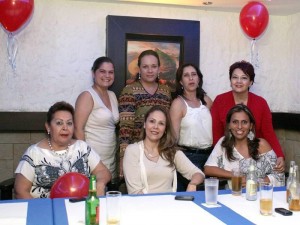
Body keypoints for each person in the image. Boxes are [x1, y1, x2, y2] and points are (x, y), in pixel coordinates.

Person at [14, 101, 111, 199]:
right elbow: (20, 191)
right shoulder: (34, 153)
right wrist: (40, 210)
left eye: (69, 123)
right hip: (46, 209)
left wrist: (100, 184)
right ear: (48, 127)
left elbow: (103, 171)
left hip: (83, 207)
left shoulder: (82, 147)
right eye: (59, 123)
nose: (65, 128)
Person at [211, 60, 285, 172]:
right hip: (228, 156)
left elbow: (269, 133)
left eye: (244, 78)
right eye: (235, 77)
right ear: (230, 81)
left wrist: (280, 155)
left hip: (255, 156)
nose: (239, 81)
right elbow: (216, 134)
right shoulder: (219, 101)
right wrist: (220, 158)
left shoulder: (261, 103)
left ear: (251, 82)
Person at [123, 105, 205, 194]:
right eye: (152, 121)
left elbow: (198, 174)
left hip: (170, 204)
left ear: (165, 129)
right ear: (144, 124)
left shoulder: (172, 152)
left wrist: (193, 184)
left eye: (161, 123)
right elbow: (135, 192)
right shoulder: (132, 151)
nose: (155, 126)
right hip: (144, 205)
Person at [118, 49, 172, 177]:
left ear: (159, 69)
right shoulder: (129, 90)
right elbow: (125, 127)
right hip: (136, 152)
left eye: (153, 66)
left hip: (160, 152)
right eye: (145, 67)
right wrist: (123, 157)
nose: (150, 70)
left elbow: (167, 124)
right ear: (139, 69)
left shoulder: (165, 91)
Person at [204, 104, 284, 187]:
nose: (239, 127)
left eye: (244, 122)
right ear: (229, 125)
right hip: (230, 195)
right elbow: (208, 168)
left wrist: (255, 183)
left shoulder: (261, 145)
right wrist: (235, 175)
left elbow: (279, 177)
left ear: (251, 125)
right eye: (235, 122)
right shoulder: (223, 143)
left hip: (257, 196)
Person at [169, 63, 213, 191]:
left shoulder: (206, 101)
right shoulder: (178, 103)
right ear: (181, 81)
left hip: (209, 157)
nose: (191, 78)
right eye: (186, 76)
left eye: (194, 74)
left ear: (199, 78)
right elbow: (173, 139)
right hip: (189, 157)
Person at [74, 57, 119, 180]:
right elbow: (78, 129)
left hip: (110, 160)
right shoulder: (87, 96)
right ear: (93, 73)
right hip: (92, 161)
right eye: (102, 71)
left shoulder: (112, 95)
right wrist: (85, 161)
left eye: (111, 72)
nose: (107, 75)